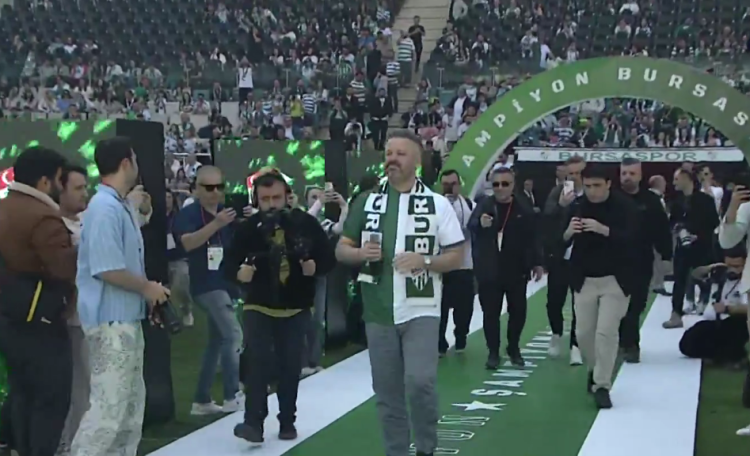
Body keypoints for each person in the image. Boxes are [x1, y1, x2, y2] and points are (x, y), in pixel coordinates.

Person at [335, 130, 465, 456]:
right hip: (378, 309)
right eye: (389, 153)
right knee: (387, 392)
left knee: (420, 382)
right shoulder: (367, 201)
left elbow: (456, 255)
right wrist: (359, 253)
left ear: (417, 161)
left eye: (400, 153)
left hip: (421, 308)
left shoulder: (436, 204)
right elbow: (341, 248)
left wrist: (426, 261)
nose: (392, 159)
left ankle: (426, 447)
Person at [72, 137, 169, 456]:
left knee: (129, 409)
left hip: (125, 318)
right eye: (135, 160)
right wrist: (147, 288)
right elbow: (107, 268)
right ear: (126, 163)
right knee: (109, 411)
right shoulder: (103, 208)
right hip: (110, 322)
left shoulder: (116, 205)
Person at [225, 170, 336, 444]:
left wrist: (315, 267)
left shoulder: (306, 224)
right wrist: (239, 274)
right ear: (257, 200)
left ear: (287, 197)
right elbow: (227, 265)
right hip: (258, 305)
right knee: (257, 363)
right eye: (265, 199)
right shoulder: (248, 230)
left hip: (296, 307)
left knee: (290, 366)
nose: (271, 204)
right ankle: (253, 423)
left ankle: (287, 421)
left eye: (276, 198)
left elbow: (328, 259)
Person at [0, 146, 77, 456]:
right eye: (60, 179)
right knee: (50, 398)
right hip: (41, 319)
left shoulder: (5, 207)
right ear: (45, 181)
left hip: (9, 316)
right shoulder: (42, 216)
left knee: (22, 393)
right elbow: (63, 268)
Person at [562, 164, 637, 409]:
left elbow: (636, 240)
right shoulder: (576, 206)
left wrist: (605, 230)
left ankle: (602, 385)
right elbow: (554, 240)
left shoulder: (625, 207)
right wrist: (568, 233)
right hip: (584, 279)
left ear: (608, 184)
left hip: (616, 279)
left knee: (606, 332)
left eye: (597, 185)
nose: (592, 191)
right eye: (588, 186)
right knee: (583, 333)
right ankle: (595, 370)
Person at [173, 166, 245, 415]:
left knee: (217, 341)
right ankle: (232, 394)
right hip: (205, 283)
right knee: (233, 334)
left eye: (219, 187)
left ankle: (201, 400)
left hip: (225, 282)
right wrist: (217, 223)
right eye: (209, 187)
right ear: (196, 189)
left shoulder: (227, 212)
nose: (215, 192)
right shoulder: (189, 214)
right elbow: (188, 243)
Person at [470, 167, 544, 368]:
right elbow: (471, 225)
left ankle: (513, 347)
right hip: (489, 270)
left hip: (516, 269)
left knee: (518, 312)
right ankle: (493, 352)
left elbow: (533, 236)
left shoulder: (523, 206)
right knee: (490, 314)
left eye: (505, 184)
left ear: (513, 185)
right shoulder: (485, 204)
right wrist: (480, 223)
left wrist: (538, 262)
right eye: (496, 184)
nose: (500, 188)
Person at [617, 158, 672, 363]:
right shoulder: (611, 198)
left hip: (641, 259)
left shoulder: (650, 201)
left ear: (640, 175)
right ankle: (627, 344)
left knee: (637, 304)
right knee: (617, 306)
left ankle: (629, 343)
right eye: (624, 173)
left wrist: (666, 255)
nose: (627, 177)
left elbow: (662, 229)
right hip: (614, 261)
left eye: (631, 173)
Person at [56, 165, 90, 456]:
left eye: (86, 187)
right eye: (78, 188)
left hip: (92, 315)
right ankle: (69, 444)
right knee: (76, 386)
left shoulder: (88, 219)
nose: (84, 194)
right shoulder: (54, 227)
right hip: (69, 317)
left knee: (90, 385)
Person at [302, 185, 349, 376]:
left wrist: (344, 206)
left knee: (317, 320)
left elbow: (340, 228)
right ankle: (302, 363)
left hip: (319, 276)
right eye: (313, 197)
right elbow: (306, 220)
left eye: (319, 197)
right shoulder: (300, 219)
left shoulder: (323, 224)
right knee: (302, 319)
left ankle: (314, 361)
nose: (317, 200)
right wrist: (320, 202)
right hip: (300, 278)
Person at [664, 168, 719, 328]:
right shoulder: (676, 201)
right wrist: (676, 229)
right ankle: (676, 314)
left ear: (686, 178)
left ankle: (707, 305)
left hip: (702, 246)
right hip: (683, 247)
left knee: (703, 277)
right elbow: (672, 222)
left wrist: (698, 235)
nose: (673, 183)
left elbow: (714, 222)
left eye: (676, 179)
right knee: (679, 280)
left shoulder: (705, 200)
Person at [543, 155, 584, 365]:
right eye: (571, 174)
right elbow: (547, 218)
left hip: (584, 259)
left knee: (581, 304)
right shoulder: (558, 192)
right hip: (560, 257)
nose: (575, 177)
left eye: (578, 173)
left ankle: (576, 345)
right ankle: (556, 333)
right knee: (554, 302)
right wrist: (561, 206)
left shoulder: (592, 194)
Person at [678, 251, 748, 365]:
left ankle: (732, 356)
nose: (732, 270)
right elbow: (695, 275)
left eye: (736, 266)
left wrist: (728, 309)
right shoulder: (720, 275)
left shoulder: (746, 282)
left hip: (736, 320)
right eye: (729, 265)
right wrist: (710, 268)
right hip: (714, 321)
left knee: (735, 328)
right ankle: (723, 355)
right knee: (686, 343)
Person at [438, 170, 475, 356]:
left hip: (464, 264)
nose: (449, 188)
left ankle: (461, 336)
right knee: (440, 308)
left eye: (453, 184)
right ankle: (439, 343)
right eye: (445, 184)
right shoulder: (435, 205)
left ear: (459, 184)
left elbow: (476, 228)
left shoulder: (469, 205)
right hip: (441, 265)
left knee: (464, 308)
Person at [166, 190, 194, 327]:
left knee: (181, 286)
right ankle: (167, 316)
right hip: (161, 258)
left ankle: (186, 310)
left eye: (169, 197)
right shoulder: (154, 217)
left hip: (178, 257)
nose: (166, 200)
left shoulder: (179, 217)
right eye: (164, 197)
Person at [648, 175, 671, 296]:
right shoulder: (657, 199)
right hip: (655, 235)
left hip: (647, 235)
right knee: (656, 261)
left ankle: (656, 284)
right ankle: (657, 285)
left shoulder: (645, 197)